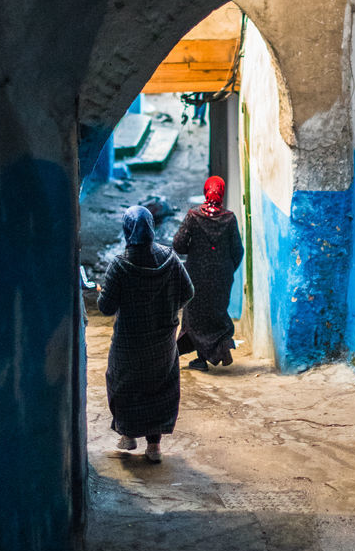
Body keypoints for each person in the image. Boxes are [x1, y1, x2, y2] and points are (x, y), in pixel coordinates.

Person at [97, 205, 193, 463]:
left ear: (128, 230)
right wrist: (168, 309)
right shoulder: (170, 259)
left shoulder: (120, 265)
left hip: (129, 343)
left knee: (123, 384)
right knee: (159, 388)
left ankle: (128, 436)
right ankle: (154, 448)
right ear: (151, 227)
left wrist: (100, 292)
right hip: (162, 341)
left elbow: (106, 308)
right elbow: (188, 292)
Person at [173, 176, 244, 371]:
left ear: (206, 191)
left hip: (196, 276)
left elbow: (178, 244)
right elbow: (238, 250)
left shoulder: (193, 216)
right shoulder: (229, 218)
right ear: (221, 191)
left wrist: (194, 252)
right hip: (222, 277)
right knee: (216, 315)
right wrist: (227, 270)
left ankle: (201, 359)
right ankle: (217, 350)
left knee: (194, 317)